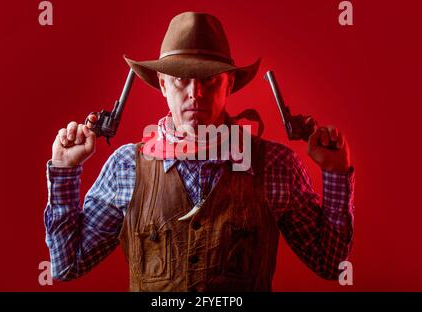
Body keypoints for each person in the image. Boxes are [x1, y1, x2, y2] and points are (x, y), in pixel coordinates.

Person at [45, 12, 354, 291]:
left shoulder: (275, 165)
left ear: (229, 84)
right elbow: (68, 264)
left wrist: (335, 172)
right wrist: (64, 170)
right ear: (163, 85)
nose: (195, 93)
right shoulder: (127, 167)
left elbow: (329, 265)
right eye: (181, 80)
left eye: (209, 79)